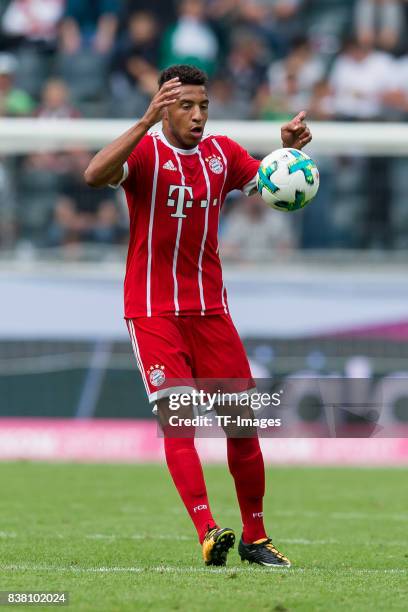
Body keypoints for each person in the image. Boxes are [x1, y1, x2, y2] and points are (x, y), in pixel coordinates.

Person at [84, 64, 312, 567]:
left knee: (242, 425)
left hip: (211, 313)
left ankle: (256, 536)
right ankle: (208, 530)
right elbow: (94, 174)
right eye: (185, 105)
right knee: (178, 419)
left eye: (203, 105)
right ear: (165, 106)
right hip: (152, 311)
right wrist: (143, 122)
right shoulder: (145, 152)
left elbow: (273, 185)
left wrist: (290, 151)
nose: (197, 115)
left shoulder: (221, 154)